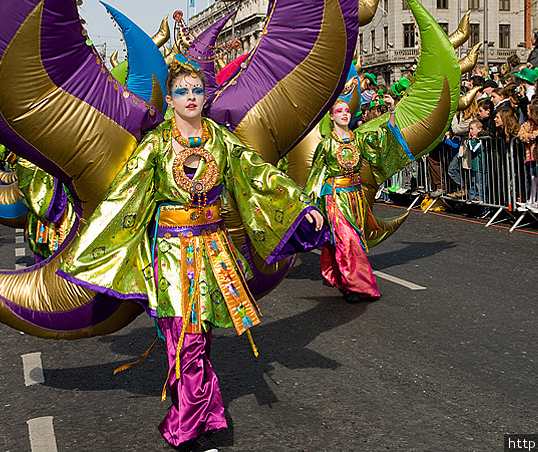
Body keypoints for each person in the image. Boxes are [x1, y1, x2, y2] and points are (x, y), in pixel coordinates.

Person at [58, 64, 327, 452]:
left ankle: (202, 414)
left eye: (197, 90)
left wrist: (300, 206)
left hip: (214, 251)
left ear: (205, 96)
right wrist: (85, 250)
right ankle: (189, 424)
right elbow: (122, 198)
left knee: (200, 338)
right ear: (169, 100)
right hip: (171, 253)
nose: (190, 97)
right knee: (185, 338)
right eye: (182, 91)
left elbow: (257, 175)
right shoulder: (155, 146)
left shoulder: (221, 140)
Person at [307, 92, 412, 303]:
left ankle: (338, 274)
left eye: (347, 111)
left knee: (351, 241)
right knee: (348, 241)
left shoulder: (360, 140)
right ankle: (355, 286)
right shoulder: (326, 145)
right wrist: (309, 206)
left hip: (356, 198)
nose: (344, 114)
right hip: (335, 198)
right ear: (331, 117)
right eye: (339, 111)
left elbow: (385, 136)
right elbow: (315, 176)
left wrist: (392, 110)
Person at [517, 99, 538, 212]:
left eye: (528, 110)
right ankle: (531, 200)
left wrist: (535, 135)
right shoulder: (527, 124)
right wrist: (528, 136)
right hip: (530, 155)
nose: (527, 113)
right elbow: (520, 134)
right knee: (533, 177)